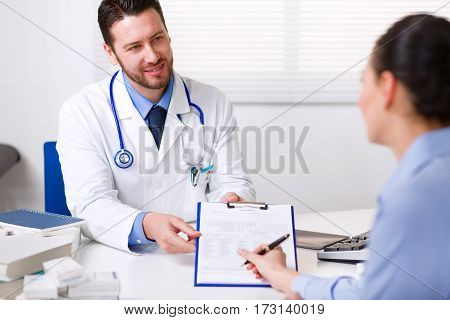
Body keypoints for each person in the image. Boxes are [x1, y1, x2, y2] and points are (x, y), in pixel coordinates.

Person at [239, 14, 450, 299]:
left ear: (387, 88)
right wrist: (287, 278)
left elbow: (370, 305)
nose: (361, 98)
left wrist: (285, 278)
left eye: (365, 81)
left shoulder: (415, 196)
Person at [57, 0, 255, 254]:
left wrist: (233, 200)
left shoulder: (213, 102)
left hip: (197, 251)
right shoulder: (81, 111)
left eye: (157, 38)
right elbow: (91, 204)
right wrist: (148, 224)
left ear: (168, 34)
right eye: (135, 47)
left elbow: (233, 182)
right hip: (118, 256)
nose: (152, 56)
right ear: (110, 53)